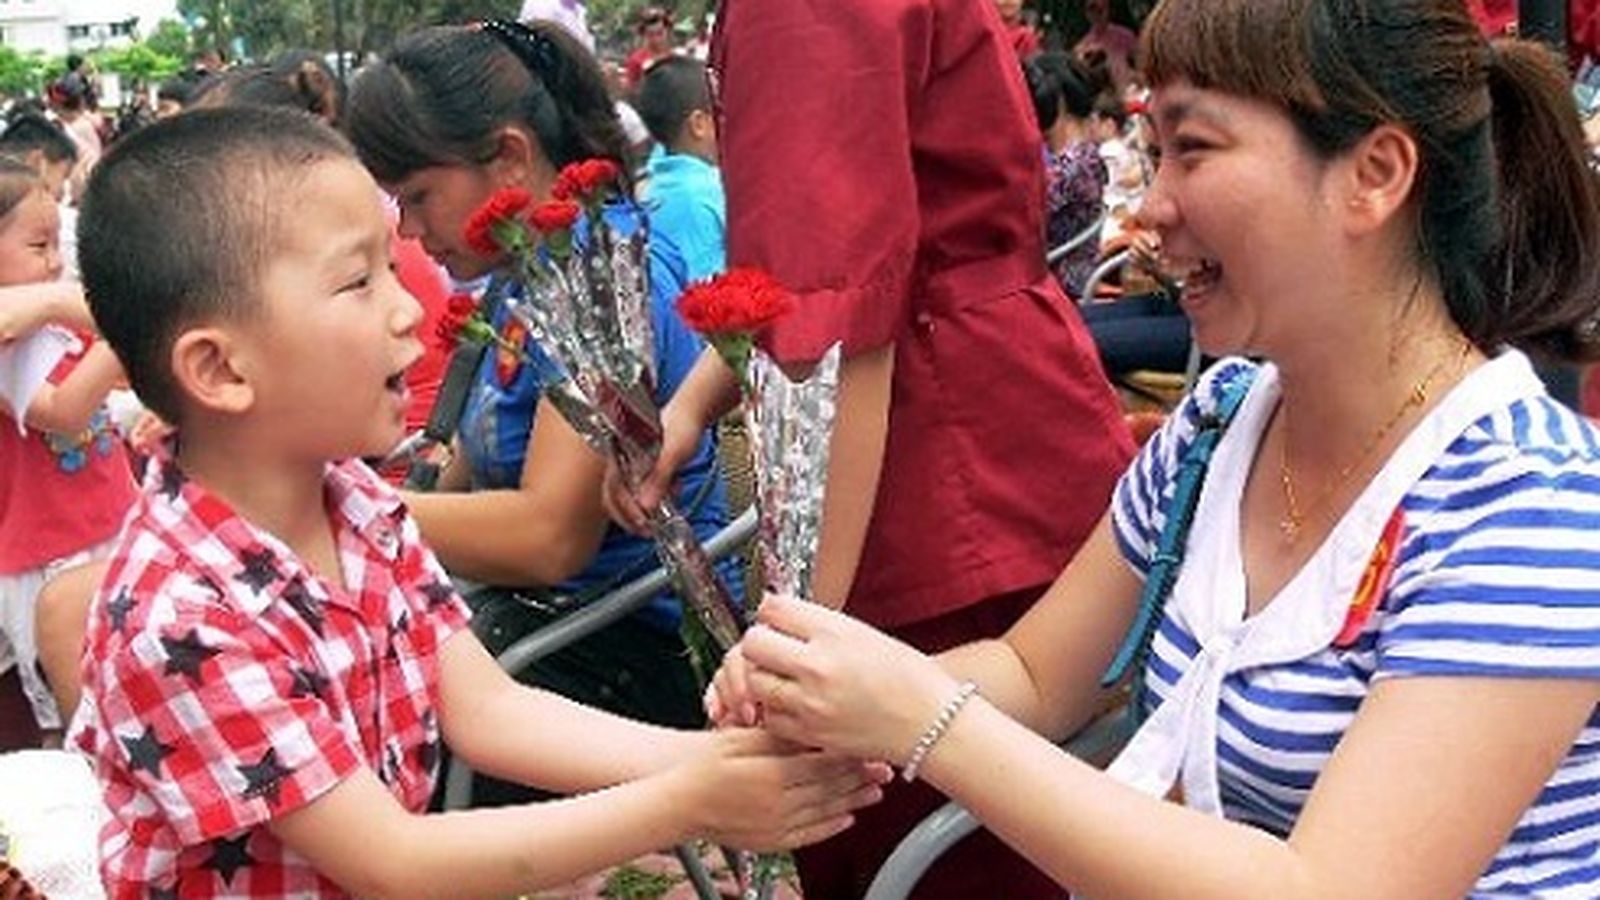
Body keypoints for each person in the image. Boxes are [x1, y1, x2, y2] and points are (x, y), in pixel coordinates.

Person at [707, 0, 1600, 895]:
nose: (1151, 207)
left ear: (1374, 175)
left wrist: (928, 720)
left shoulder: (1529, 507)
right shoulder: (1220, 424)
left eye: (1194, 149)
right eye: (1155, 150)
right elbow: (1035, 672)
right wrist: (833, 681)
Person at [68, 105, 886, 897]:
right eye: (358, 281)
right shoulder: (179, 617)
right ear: (220, 370)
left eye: (393, 268)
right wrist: (687, 802)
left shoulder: (356, 502)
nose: (409, 310)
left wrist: (706, 762)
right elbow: (392, 860)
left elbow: (487, 708)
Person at [607, 0, 1136, 895]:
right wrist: (694, 404)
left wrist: (798, 633)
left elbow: (839, 324)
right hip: (990, 443)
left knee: (929, 844)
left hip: (932, 485)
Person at [344, 21, 734, 732]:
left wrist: (337, 510)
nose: (408, 230)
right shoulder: (525, 273)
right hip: (553, 625)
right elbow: (456, 472)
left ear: (511, 157)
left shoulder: (601, 277)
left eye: (419, 195)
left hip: (639, 647)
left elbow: (549, 537)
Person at [0, 160, 133, 746]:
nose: (56, 261)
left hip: (110, 517)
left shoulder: (47, 321)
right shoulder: (9, 336)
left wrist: (56, 305)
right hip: (46, 554)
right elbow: (65, 410)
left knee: (123, 677)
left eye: (58, 243)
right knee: (73, 704)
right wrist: (121, 325)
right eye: (39, 246)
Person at [1024, 51, 1109, 301]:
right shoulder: (1081, 156)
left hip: (1058, 286)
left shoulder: (1073, 165)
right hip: (1059, 276)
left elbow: (1019, 219)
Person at [636, 56, 725, 290]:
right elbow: (704, 288)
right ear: (699, 124)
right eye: (720, 114)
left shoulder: (653, 188)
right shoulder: (709, 191)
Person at [1074, 0, 1140, 92]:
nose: (1097, 14)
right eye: (1092, 9)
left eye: (1101, 9)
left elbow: (1142, 63)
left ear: (1107, 9)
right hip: (1104, 97)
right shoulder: (1082, 48)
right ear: (1086, 13)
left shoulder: (1125, 36)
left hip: (1130, 92)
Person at [624, 6, 677, 90]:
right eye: (651, 34)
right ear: (644, 35)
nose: (656, 39)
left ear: (667, 31)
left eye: (660, 33)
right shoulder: (636, 60)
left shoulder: (676, 58)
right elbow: (631, 89)